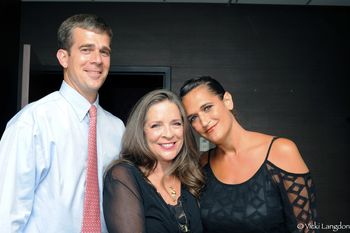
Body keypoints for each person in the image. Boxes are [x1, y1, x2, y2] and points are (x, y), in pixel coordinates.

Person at [0, 14, 124, 232]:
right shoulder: (31, 122)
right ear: (63, 58)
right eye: (86, 49)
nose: (97, 59)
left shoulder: (117, 129)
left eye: (104, 51)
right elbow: (7, 216)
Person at [179, 76, 317, 233]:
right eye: (193, 118)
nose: (203, 122)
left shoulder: (280, 151)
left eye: (207, 107)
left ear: (227, 101)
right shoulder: (204, 162)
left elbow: (307, 229)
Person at [103, 89, 204, 233]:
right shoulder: (122, 176)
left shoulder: (189, 175)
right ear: (142, 131)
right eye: (156, 125)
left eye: (176, 123)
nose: (168, 134)